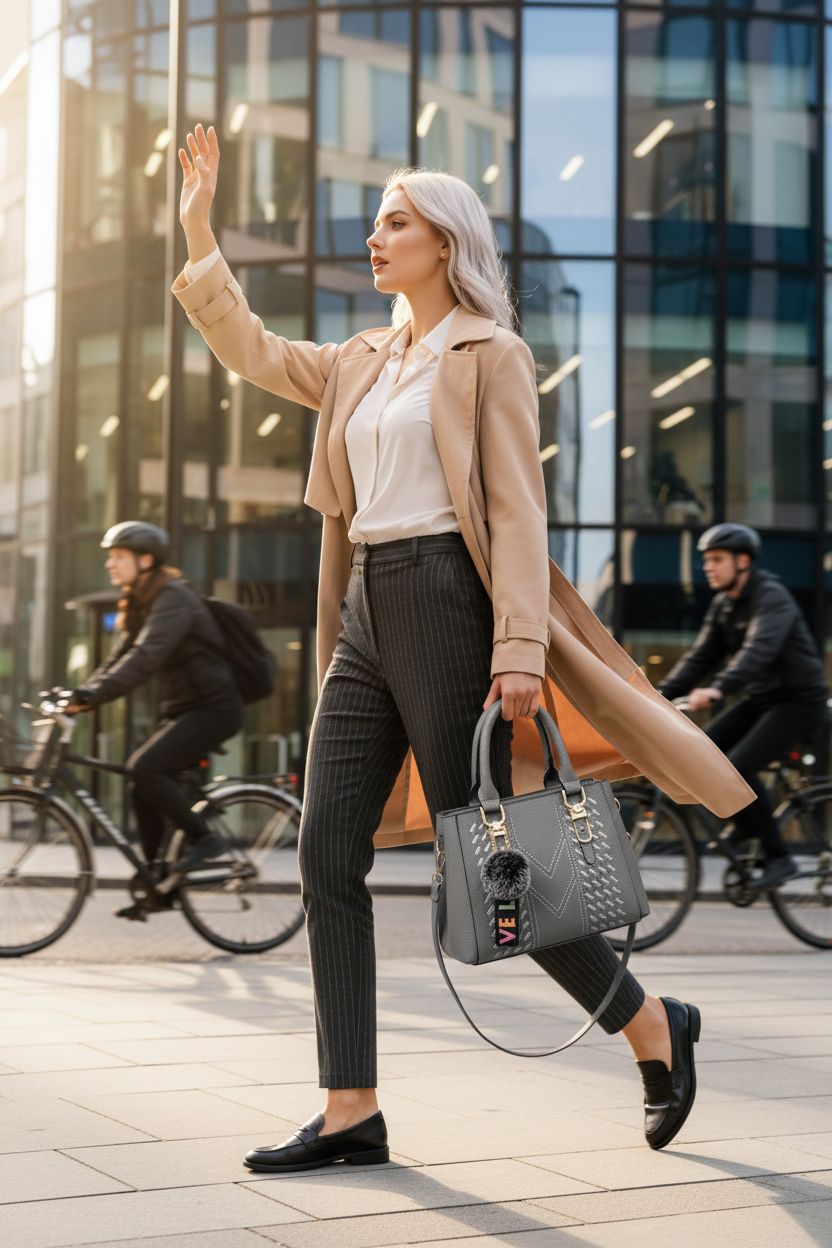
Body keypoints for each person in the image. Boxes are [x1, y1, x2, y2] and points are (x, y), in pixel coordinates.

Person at [172, 122, 745, 1171]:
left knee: (493, 859)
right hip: (365, 613)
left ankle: (652, 1024)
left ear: (444, 242)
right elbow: (249, 350)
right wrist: (200, 233)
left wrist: (517, 647)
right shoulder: (357, 360)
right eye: (380, 221)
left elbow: (520, 514)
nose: (375, 235)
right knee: (322, 853)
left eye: (395, 221)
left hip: (447, 599)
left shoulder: (489, 354)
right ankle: (351, 1107)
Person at [67, 521, 244, 918]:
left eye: (118, 557)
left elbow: (147, 656)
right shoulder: (143, 599)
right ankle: (158, 881)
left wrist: (94, 695)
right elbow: (119, 658)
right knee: (140, 781)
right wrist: (80, 694)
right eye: (109, 557)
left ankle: (205, 841)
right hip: (186, 709)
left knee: (145, 768)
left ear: (145, 560)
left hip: (214, 709)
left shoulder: (173, 599)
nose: (110, 564)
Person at [658, 523, 828, 891]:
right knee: (704, 750)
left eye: (717, 559)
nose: (708, 567)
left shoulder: (771, 597)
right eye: (706, 560)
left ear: (743, 561)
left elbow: (758, 651)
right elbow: (700, 658)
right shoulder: (724, 605)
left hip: (798, 701)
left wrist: (718, 690)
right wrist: (656, 696)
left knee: (739, 765)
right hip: (762, 699)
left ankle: (779, 857)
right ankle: (748, 824)